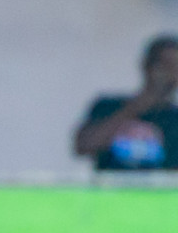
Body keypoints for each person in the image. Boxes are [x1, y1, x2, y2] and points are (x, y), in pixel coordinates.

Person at [74, 36, 178, 170]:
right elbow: (83, 146)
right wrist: (139, 105)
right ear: (147, 66)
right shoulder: (108, 106)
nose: (169, 73)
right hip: (110, 189)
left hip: (157, 190)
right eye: (165, 65)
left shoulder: (174, 118)